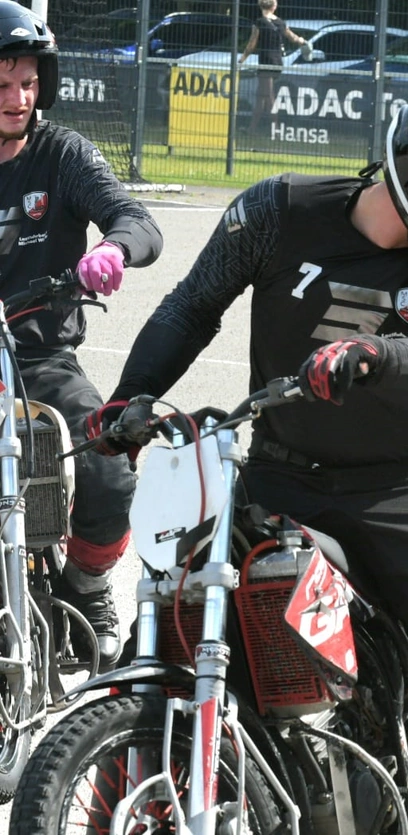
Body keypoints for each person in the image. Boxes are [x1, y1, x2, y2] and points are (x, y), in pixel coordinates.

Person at [85, 79, 408, 835]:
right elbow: (191, 306)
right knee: (168, 625)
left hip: (401, 489)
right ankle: (106, 808)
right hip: (279, 474)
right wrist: (129, 399)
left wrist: (375, 354)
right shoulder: (276, 210)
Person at [0, 0, 163, 671]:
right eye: (3, 82)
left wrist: (115, 251)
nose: (18, 98)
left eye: (30, 81)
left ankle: (88, 588)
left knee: (107, 457)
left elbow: (137, 220)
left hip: (40, 356)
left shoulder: (61, 153)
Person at [238, 0, 307, 133]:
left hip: (266, 61)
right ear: (274, 6)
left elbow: (252, 45)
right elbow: (293, 38)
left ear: (260, 6)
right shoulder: (280, 23)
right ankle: (252, 128)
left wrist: (242, 60)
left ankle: (275, 128)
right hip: (277, 61)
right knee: (261, 95)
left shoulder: (260, 22)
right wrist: (303, 41)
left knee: (268, 95)